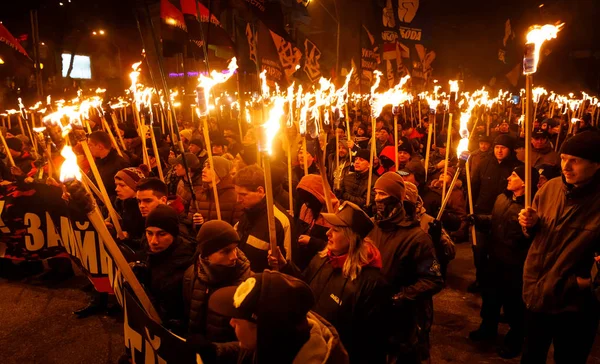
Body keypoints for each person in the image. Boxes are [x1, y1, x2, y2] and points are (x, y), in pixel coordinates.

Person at [269, 201, 387, 363]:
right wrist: (285, 266)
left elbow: (371, 342)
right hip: (313, 349)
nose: (327, 234)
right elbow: (305, 287)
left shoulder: (371, 282)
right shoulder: (323, 258)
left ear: (351, 238)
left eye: (335, 230)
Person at [518, 131, 600, 364]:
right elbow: (537, 235)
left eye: (575, 160)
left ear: (596, 164)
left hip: (574, 306)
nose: (566, 166)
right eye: (564, 158)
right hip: (537, 295)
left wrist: (583, 283)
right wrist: (530, 224)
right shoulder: (551, 188)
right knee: (531, 356)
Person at [368, 172, 443, 363]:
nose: (378, 200)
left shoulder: (417, 238)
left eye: (383, 195)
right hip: (375, 313)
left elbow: (433, 280)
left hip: (404, 319)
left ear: (396, 198)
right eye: (375, 194)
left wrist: (401, 296)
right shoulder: (372, 228)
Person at [195, 271, 349, 363]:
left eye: (238, 320)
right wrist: (215, 351)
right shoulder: (282, 342)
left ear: (265, 332)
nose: (231, 322)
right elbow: (251, 350)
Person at [468, 166, 538, 359]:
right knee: (490, 297)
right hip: (495, 258)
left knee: (513, 303)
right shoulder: (502, 198)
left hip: (515, 264)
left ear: (524, 182)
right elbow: (495, 220)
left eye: (514, 175)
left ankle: (515, 338)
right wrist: (479, 220)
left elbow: (533, 235)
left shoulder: (530, 209)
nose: (508, 177)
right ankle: (487, 328)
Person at [184, 220, 252, 342]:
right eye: (225, 251)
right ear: (206, 255)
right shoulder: (191, 275)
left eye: (235, 249)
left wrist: (215, 350)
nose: (234, 256)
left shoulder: (247, 283)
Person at [469, 134, 521, 293]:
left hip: (503, 216)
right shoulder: (484, 164)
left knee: (499, 254)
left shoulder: (517, 168)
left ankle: (496, 285)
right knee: (479, 251)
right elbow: (474, 187)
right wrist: (471, 210)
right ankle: (480, 279)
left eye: (503, 148)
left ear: (510, 150)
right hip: (481, 213)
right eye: (497, 147)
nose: (499, 151)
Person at [133, 205, 195, 333]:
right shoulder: (154, 253)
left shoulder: (185, 262)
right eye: (149, 233)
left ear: (173, 233)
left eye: (161, 234)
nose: (154, 241)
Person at [233, 165, 293, 272]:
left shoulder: (279, 221)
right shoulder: (246, 213)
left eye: (243, 194)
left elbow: (287, 264)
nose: (238, 200)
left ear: (260, 191)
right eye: (237, 194)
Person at [295, 174, 340, 270]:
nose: (307, 203)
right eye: (304, 199)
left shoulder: (335, 213)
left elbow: (337, 247)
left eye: (309, 198)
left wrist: (311, 242)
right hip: (303, 262)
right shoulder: (305, 208)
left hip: (323, 264)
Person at [192, 156, 243, 229]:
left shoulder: (235, 197)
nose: (203, 170)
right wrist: (197, 223)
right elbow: (190, 222)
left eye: (209, 167)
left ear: (221, 172)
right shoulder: (199, 194)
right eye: (204, 167)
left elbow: (236, 228)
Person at [87, 131, 130, 201]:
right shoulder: (97, 162)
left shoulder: (120, 164)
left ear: (100, 146)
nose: (88, 148)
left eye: (90, 145)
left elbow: (123, 192)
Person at [113, 167, 147, 248]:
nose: (116, 189)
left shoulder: (143, 208)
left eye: (122, 185)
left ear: (134, 186)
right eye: (116, 185)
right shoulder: (120, 204)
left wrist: (129, 237)